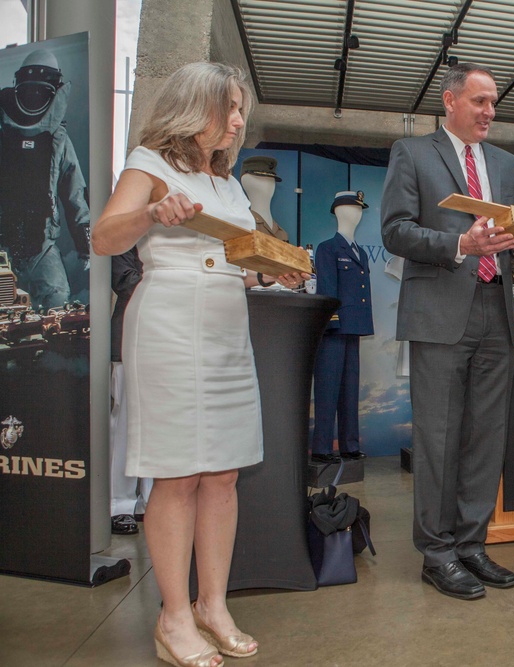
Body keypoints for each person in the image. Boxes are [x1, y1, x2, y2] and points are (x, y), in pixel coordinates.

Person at [93, 62, 306, 667]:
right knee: (178, 473)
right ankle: (174, 616)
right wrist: (151, 214)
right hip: (168, 321)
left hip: (224, 323)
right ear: (196, 107)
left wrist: (272, 270)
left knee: (223, 474)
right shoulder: (149, 163)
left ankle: (213, 604)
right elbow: (105, 236)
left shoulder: (228, 183)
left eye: (241, 110)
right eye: (231, 108)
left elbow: (237, 258)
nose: (239, 122)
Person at [381, 63, 514, 601]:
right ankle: (437, 553)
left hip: (497, 312)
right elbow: (395, 230)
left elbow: (511, 232)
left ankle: (472, 544)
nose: (489, 112)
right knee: (438, 438)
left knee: (486, 435)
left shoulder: (504, 163)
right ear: (450, 100)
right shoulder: (412, 154)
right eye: (479, 101)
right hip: (439, 313)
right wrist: (460, 246)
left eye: (493, 103)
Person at [0, 48, 90, 312]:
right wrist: (85, 247)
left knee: (58, 303)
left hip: (41, 245)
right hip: (11, 243)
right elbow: (76, 196)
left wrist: (86, 245)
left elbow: (75, 194)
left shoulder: (58, 140)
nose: (34, 97)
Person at [312, 191, 374, 464]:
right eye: (353, 208)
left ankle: (349, 444)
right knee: (327, 388)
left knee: (350, 389)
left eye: (360, 210)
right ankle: (322, 448)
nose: (357, 214)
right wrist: (332, 320)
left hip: (354, 327)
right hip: (334, 330)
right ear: (339, 211)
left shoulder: (359, 252)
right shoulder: (327, 248)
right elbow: (327, 290)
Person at [109, 246, 153, 535]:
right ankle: (119, 504)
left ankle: (149, 501)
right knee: (124, 426)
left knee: (155, 427)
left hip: (162, 342)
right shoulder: (126, 238)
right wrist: (168, 282)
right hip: (127, 339)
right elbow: (123, 280)